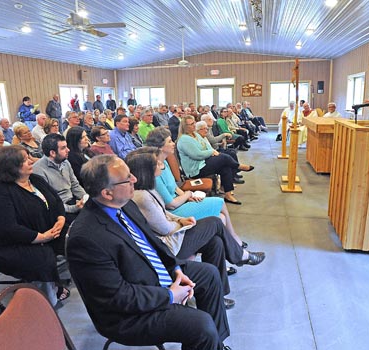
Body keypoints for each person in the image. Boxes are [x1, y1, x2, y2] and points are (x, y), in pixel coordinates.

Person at [66, 154, 231, 350]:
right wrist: (169, 296)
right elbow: (117, 297)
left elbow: (153, 243)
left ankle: (215, 345)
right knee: (200, 325)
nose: (135, 179)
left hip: (150, 275)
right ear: (107, 193)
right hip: (127, 315)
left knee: (209, 274)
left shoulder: (126, 203)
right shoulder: (85, 239)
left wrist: (175, 267)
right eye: (128, 178)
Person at [126, 150, 265, 308]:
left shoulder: (148, 189)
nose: (160, 164)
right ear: (146, 169)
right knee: (215, 222)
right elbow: (165, 228)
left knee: (215, 242)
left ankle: (217, 297)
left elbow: (166, 213)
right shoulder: (142, 196)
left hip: (174, 235)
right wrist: (183, 224)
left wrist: (181, 219)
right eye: (156, 163)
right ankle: (240, 256)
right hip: (168, 247)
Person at [0, 145, 69, 305]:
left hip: (46, 231)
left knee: (76, 238)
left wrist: (60, 219)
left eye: (29, 157)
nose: (31, 161)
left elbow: (56, 201)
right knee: (42, 258)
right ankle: (46, 299)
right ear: (11, 166)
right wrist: (41, 237)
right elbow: (7, 228)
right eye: (25, 159)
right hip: (9, 244)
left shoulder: (35, 180)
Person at [145, 127, 248, 247]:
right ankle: (234, 240)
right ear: (160, 147)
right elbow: (170, 204)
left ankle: (229, 246)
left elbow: (175, 188)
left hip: (180, 202)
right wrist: (188, 194)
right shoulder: (154, 170)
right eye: (169, 141)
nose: (173, 144)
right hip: (174, 212)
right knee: (220, 203)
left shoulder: (164, 162)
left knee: (221, 217)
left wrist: (188, 196)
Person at [177, 116, 254, 205]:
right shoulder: (184, 139)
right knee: (224, 158)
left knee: (225, 166)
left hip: (204, 161)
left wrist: (212, 152)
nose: (194, 125)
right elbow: (197, 155)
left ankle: (228, 195)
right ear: (185, 126)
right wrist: (211, 152)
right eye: (191, 124)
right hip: (196, 168)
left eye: (194, 122)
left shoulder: (195, 134)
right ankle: (238, 166)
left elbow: (207, 146)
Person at [33, 133, 87, 226]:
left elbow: (75, 185)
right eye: (63, 148)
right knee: (85, 226)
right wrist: (74, 208)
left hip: (72, 202)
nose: (68, 150)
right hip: (59, 211)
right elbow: (50, 202)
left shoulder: (65, 162)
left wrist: (86, 198)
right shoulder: (38, 170)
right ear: (52, 153)